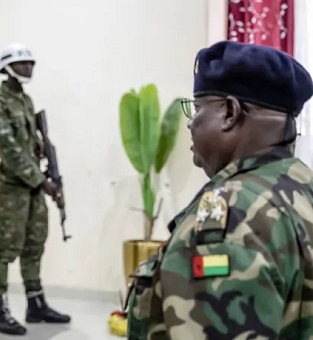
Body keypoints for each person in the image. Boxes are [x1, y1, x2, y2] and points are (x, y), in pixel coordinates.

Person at [125, 40, 313, 339]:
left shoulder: (231, 220)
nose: (190, 123)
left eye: (197, 108)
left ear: (229, 112)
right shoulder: (301, 185)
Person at [0, 42, 71, 336]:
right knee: (7, 247)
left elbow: (27, 145)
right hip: (13, 186)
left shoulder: (26, 101)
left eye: (31, 63)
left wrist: (41, 150)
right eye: (23, 63)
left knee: (34, 245)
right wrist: (42, 182)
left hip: (33, 186)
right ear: (7, 67)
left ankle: (35, 304)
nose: (28, 67)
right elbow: (9, 151)